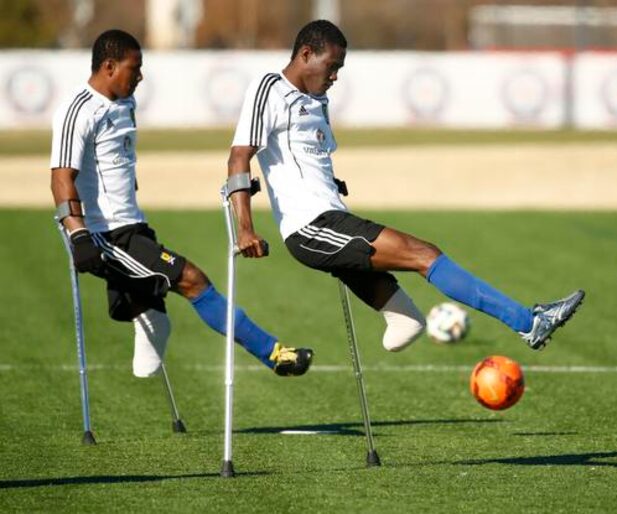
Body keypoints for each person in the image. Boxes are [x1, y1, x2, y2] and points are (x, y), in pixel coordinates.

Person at [225, 20, 584, 353]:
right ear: (306, 54)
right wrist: (245, 230)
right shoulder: (270, 88)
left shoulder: (318, 100)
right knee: (424, 254)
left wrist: (330, 182)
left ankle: (408, 320)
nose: (335, 76)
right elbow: (239, 156)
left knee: (408, 321)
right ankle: (529, 322)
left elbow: (305, 158)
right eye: (331, 65)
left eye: (340, 69)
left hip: (332, 217)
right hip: (311, 226)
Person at [50, 29, 312, 378]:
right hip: (103, 235)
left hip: (133, 226)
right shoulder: (78, 110)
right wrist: (79, 235)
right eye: (135, 67)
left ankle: (146, 330)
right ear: (109, 66)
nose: (141, 76)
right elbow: (61, 178)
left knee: (154, 310)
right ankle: (275, 354)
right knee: (193, 280)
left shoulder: (126, 103)